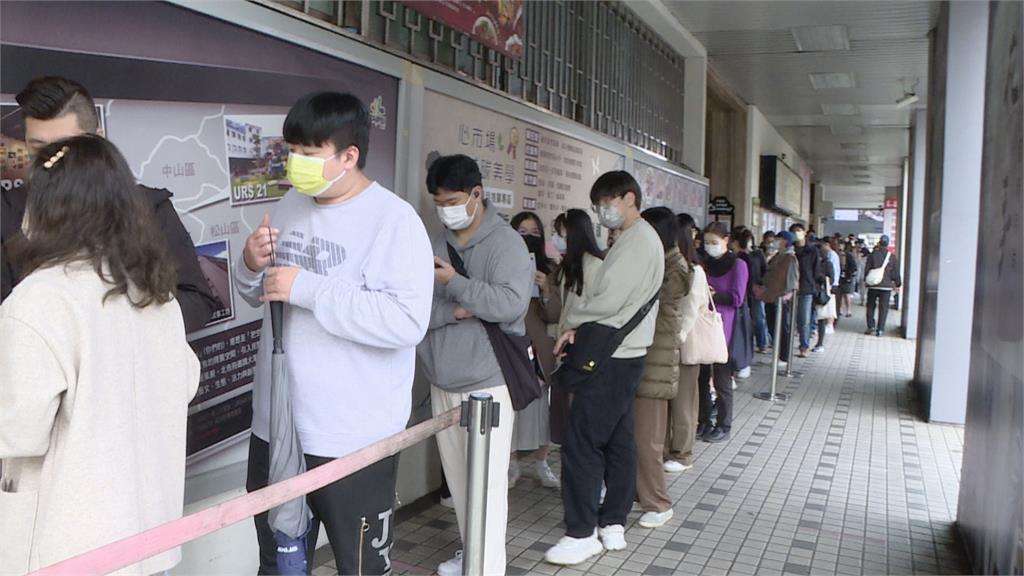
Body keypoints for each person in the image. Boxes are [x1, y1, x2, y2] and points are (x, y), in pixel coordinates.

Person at [237, 92, 434, 575]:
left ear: (349, 155)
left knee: (361, 567)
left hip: (353, 438)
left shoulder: (394, 221)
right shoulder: (289, 204)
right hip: (277, 428)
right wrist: (248, 265)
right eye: (293, 150)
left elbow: (407, 321)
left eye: (310, 152)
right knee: (279, 565)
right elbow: (258, 294)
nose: (296, 163)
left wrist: (310, 289)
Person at [0, 135, 200, 574]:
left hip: (68, 548)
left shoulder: (37, 300)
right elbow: (183, 383)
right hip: (150, 537)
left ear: (47, 208)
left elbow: (17, 432)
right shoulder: (155, 294)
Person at [2, 76, 219, 332]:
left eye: (67, 150)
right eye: (39, 150)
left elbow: (197, 301)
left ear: (98, 141)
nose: (52, 166)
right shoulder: (7, 214)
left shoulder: (148, 207)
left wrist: (118, 327)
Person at [418, 155, 532, 576]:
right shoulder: (433, 243)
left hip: (487, 383)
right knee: (461, 484)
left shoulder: (505, 243)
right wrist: (456, 310)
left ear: (477, 195)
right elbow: (414, 310)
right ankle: (473, 552)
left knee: (486, 485)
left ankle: (486, 568)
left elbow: (510, 304)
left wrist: (455, 284)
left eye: (451, 200)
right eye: (437, 201)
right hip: (441, 378)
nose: (444, 208)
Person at [544, 171, 664, 566]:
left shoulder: (637, 240)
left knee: (582, 441)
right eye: (599, 204)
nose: (603, 211)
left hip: (614, 355)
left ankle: (581, 533)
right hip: (625, 354)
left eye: (608, 202)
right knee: (618, 438)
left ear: (630, 198)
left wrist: (574, 321)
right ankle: (612, 522)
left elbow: (608, 298)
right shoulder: (636, 239)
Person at [633, 207, 689, 530]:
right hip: (645, 359)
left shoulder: (674, 267)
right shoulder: (661, 261)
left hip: (656, 362)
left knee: (649, 441)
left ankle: (659, 503)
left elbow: (650, 304)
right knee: (637, 438)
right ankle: (640, 495)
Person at [508, 211, 562, 490]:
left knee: (542, 409)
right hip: (509, 345)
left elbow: (555, 314)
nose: (527, 237)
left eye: (533, 232)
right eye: (521, 231)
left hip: (539, 350)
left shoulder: (550, 269)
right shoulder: (502, 262)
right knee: (511, 408)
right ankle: (512, 463)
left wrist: (546, 289)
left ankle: (542, 462)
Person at [551, 209, 604, 445]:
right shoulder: (568, 266)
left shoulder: (595, 266)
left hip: (584, 347)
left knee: (582, 414)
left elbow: (595, 309)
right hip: (567, 347)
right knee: (567, 414)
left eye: (560, 233)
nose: (556, 238)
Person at [664, 213, 708, 474]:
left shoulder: (695, 271)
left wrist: (676, 339)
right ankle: (669, 448)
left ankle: (683, 454)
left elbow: (692, 310)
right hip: (670, 342)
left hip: (683, 345)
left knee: (683, 401)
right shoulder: (672, 266)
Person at [697, 222, 749, 443]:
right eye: (706, 242)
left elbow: (737, 299)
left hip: (724, 328)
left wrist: (712, 294)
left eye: (714, 243)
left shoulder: (738, 265)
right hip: (702, 325)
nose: (710, 247)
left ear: (726, 240)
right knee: (700, 378)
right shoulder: (704, 264)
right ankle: (704, 420)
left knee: (721, 380)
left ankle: (724, 425)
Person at [762, 231, 800, 367]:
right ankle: (778, 354)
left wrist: (786, 296)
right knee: (773, 326)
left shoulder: (790, 258)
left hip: (781, 299)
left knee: (782, 328)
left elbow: (793, 280)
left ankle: (784, 356)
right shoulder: (778, 256)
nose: (775, 241)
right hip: (771, 297)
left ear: (785, 241)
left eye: (778, 239)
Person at [789, 223, 826, 358]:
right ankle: (785, 346)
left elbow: (816, 271)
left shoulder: (812, 250)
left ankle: (803, 346)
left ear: (805, 232)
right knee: (788, 319)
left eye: (799, 231)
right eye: (794, 231)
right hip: (789, 288)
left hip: (806, 288)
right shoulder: (790, 250)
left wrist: (817, 284)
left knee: (804, 319)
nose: (797, 233)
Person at [735, 228, 768, 366]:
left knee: (759, 318)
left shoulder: (757, 254)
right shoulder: (739, 256)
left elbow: (764, 271)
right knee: (746, 320)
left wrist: (761, 285)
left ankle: (762, 343)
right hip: (743, 291)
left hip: (755, 290)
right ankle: (750, 345)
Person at [863, 235, 902, 336]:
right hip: (886, 287)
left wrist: (866, 281)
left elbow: (867, 270)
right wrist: (897, 284)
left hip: (873, 285)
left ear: (879, 243)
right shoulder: (892, 257)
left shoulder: (872, 255)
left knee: (871, 306)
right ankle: (880, 329)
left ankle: (870, 326)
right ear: (887, 244)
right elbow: (896, 273)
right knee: (883, 308)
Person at [813, 240, 840, 352]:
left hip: (821, 294)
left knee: (821, 318)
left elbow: (831, 279)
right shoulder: (815, 263)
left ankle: (820, 343)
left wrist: (819, 277)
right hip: (813, 292)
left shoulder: (827, 264)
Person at [838, 241, 858, 317]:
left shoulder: (847, 255)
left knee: (846, 294)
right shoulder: (838, 254)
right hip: (843, 277)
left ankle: (847, 310)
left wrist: (849, 275)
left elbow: (854, 267)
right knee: (841, 295)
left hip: (845, 277)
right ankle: (842, 310)